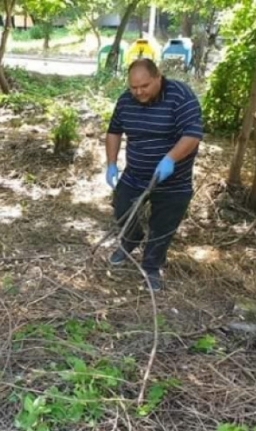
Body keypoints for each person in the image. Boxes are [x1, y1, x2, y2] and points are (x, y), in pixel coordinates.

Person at [104, 58, 203, 291]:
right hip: (135, 174)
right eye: (133, 87)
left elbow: (192, 134)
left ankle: (150, 267)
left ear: (158, 77)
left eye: (144, 86)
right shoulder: (126, 100)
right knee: (122, 210)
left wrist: (170, 159)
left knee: (163, 225)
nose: (138, 92)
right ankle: (130, 241)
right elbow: (114, 131)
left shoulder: (180, 96)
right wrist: (111, 164)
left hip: (173, 181)